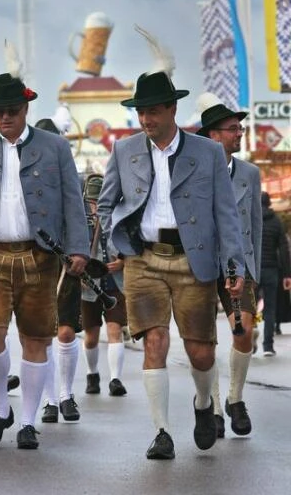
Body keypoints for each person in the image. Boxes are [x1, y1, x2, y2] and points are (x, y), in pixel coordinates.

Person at [97, 56, 246, 460]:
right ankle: (161, 431)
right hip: (143, 261)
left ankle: (202, 405)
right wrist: (119, 244)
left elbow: (226, 214)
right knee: (154, 342)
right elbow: (106, 203)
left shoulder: (207, 153)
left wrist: (235, 265)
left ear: (172, 109)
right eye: (141, 110)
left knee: (201, 351)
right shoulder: (124, 149)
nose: (145, 117)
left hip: (193, 260)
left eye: (153, 110)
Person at [0, 69, 89, 450]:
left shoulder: (55, 147)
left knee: (36, 338)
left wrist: (78, 248)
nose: (4, 117)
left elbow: (72, 202)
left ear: (25, 107)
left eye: (11, 110)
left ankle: (27, 421)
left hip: (39, 256)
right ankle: (0, 408)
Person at [196, 97, 262, 437]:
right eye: (232, 128)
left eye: (240, 127)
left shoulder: (250, 172)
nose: (239, 133)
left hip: (239, 263)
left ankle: (236, 398)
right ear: (212, 135)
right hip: (202, 263)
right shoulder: (193, 172)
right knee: (206, 341)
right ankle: (215, 407)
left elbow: (257, 225)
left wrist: (256, 271)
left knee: (244, 330)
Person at [32, 118, 85, 424]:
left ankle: (66, 394)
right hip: (34, 259)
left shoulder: (69, 175)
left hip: (64, 258)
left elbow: (78, 213)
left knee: (65, 330)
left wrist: (78, 251)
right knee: (42, 333)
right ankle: (50, 400)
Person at [79, 174, 129, 398]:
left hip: (114, 279)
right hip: (89, 282)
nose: (95, 205)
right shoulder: (79, 219)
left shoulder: (117, 216)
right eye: (92, 201)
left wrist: (124, 261)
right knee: (91, 334)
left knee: (115, 329)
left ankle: (115, 379)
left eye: (98, 200)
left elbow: (129, 240)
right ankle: (92, 374)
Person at [258, 192, 291, 356]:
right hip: (271, 270)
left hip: (253, 270)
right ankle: (268, 346)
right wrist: (287, 275)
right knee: (270, 308)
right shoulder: (277, 222)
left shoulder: (251, 220)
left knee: (249, 307)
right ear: (270, 203)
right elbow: (284, 249)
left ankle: (249, 338)